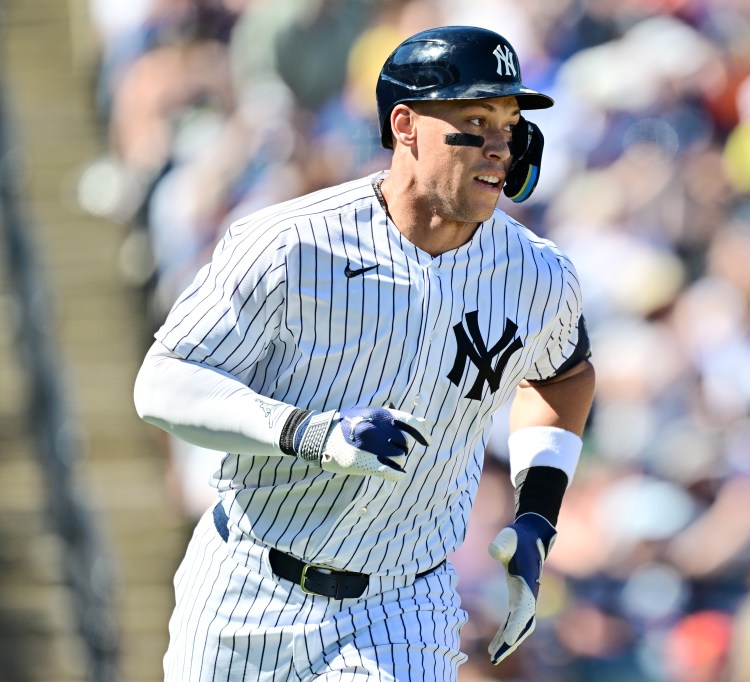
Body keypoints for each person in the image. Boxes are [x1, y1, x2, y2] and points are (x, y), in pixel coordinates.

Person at [134, 25, 595, 681]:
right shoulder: (290, 244)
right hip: (247, 581)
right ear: (405, 124)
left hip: (402, 603)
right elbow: (164, 384)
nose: (502, 145)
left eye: (511, 122)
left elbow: (564, 376)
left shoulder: (540, 276)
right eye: (475, 119)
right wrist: (311, 433)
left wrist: (536, 517)